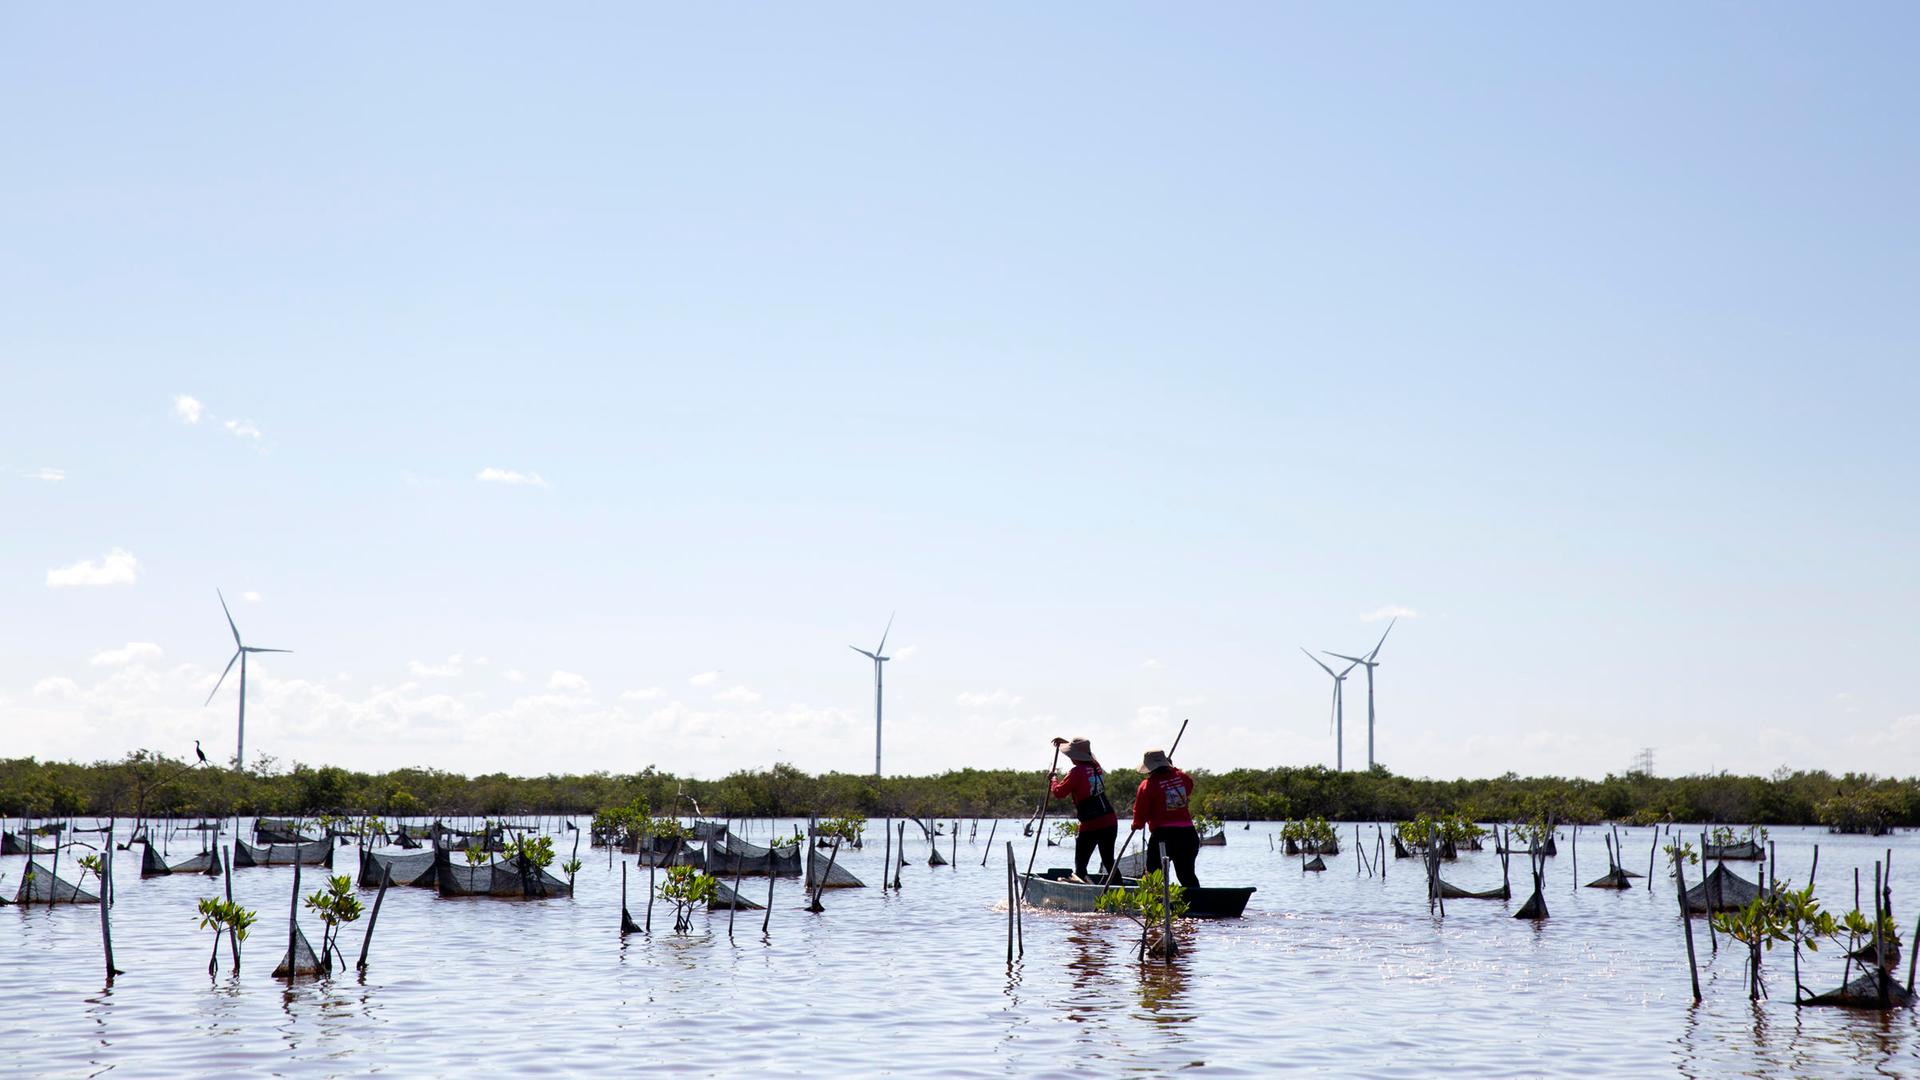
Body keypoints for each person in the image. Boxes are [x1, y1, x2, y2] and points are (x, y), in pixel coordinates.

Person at [1049, 737, 1117, 882]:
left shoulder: (1076, 772)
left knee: (1081, 865)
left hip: (1091, 824)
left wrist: (1053, 779)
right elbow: (1088, 755)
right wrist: (1066, 742)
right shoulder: (1096, 766)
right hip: (1110, 821)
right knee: (1108, 861)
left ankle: (1080, 886)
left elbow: (1059, 793)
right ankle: (1120, 888)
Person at [1132, 748, 1200, 889]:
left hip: (1164, 836)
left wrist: (1136, 825)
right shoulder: (1182, 777)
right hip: (1188, 835)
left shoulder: (1147, 785)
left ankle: (1153, 904)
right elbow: (1189, 787)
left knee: (1153, 875)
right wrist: (1173, 770)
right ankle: (1197, 902)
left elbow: (1140, 815)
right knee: (1186, 875)